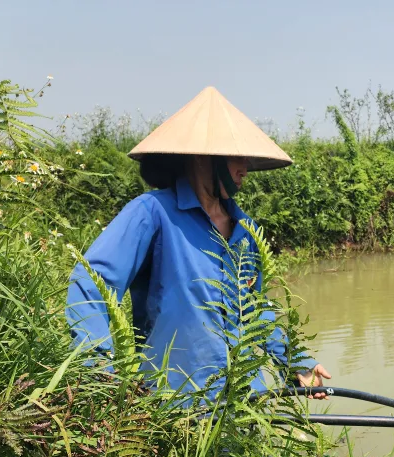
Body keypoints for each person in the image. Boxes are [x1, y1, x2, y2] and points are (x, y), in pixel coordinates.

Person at [66, 87, 331, 401]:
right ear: (204, 157)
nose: (245, 168)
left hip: (243, 404)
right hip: (174, 406)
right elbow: (90, 283)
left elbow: (255, 309)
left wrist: (295, 361)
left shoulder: (246, 231)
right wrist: (100, 370)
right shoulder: (152, 214)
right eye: (236, 156)